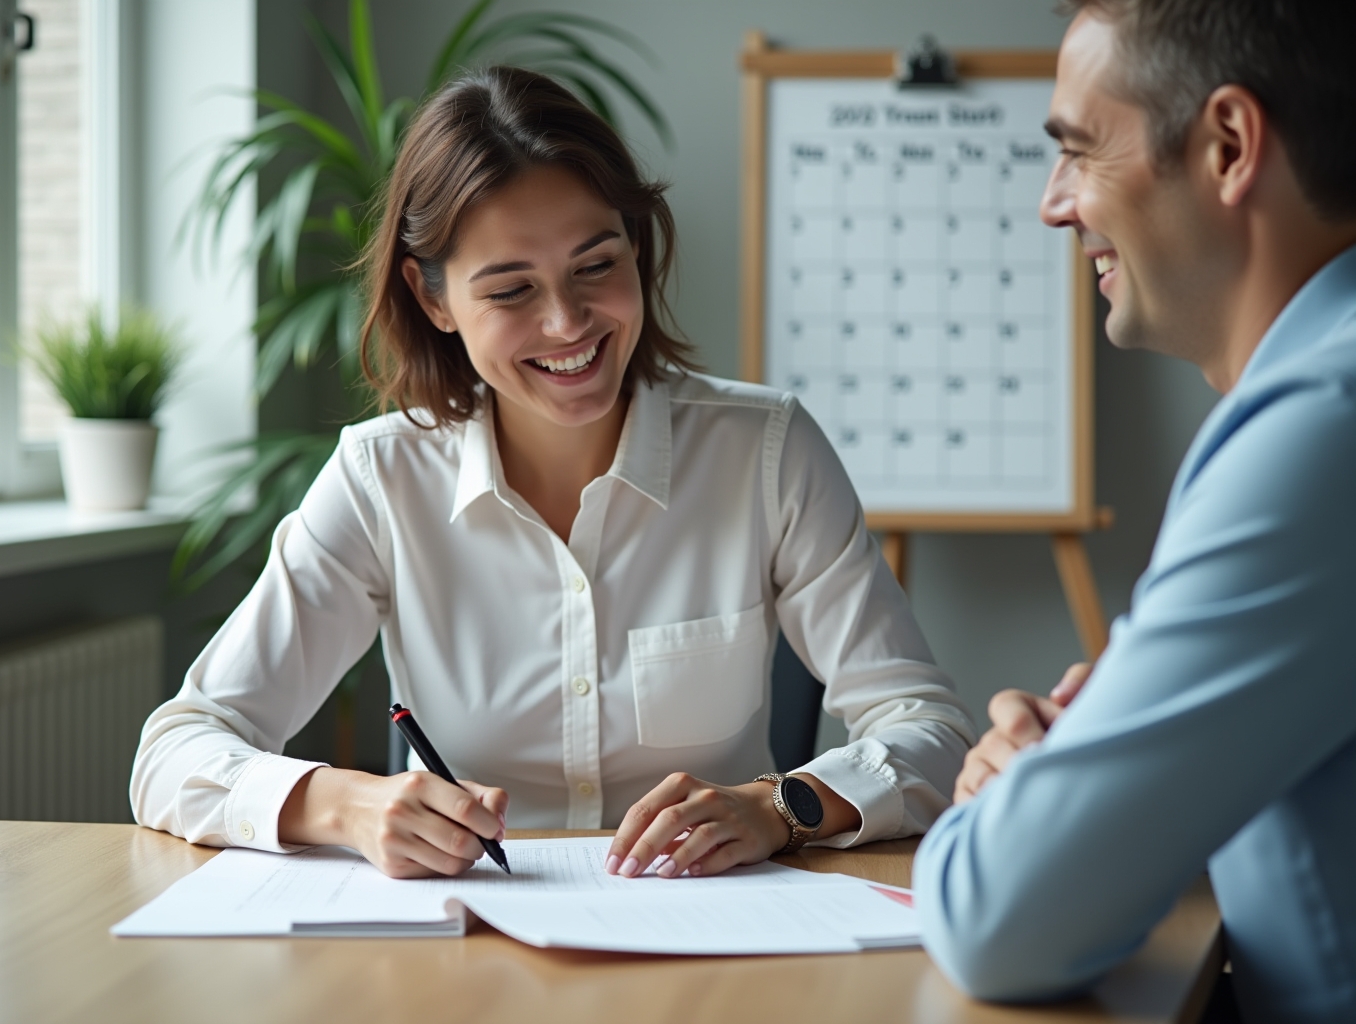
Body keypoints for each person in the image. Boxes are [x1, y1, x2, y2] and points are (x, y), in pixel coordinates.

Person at [132, 67, 975, 881]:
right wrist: (343, 803)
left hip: (708, 937)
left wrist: (782, 805)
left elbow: (930, 728)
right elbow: (176, 750)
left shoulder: (767, 451)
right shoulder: (380, 479)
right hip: (471, 946)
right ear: (435, 302)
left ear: (636, 251)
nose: (568, 321)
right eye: (509, 291)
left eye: (596, 266)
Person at [913, 2, 1356, 1022]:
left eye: (1076, 151)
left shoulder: (1321, 431)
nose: (1053, 204)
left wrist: (1010, 810)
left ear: (1229, 146)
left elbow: (1003, 920)